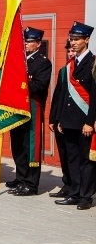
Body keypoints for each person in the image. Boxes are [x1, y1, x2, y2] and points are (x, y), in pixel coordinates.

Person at [50, 21, 95, 211]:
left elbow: (95, 96)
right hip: (68, 121)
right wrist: (59, 118)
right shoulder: (70, 66)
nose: (74, 43)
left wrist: (90, 121)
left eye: (77, 39)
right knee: (72, 159)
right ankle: (74, 193)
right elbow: (63, 96)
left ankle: (86, 196)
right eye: (72, 39)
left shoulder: (93, 63)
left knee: (86, 161)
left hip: (84, 122)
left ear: (87, 40)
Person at [6, 27, 52, 196]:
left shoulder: (42, 62)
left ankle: (31, 184)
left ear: (38, 44)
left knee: (29, 145)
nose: (26, 44)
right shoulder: (19, 60)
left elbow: (40, 85)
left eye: (29, 41)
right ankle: (21, 177)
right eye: (24, 41)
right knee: (17, 145)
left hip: (31, 109)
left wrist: (19, 85)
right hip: (16, 108)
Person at [48, 41, 75, 198]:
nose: (70, 53)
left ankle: (77, 187)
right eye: (69, 50)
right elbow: (57, 96)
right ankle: (67, 183)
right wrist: (53, 119)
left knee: (75, 157)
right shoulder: (64, 71)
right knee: (64, 154)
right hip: (61, 119)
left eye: (72, 50)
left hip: (76, 121)